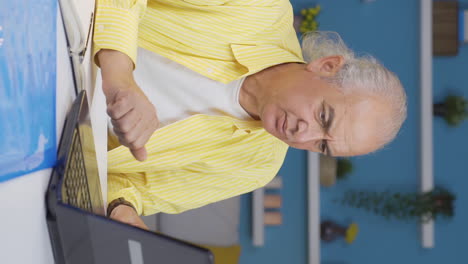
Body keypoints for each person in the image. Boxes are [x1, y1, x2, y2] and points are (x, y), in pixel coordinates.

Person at [94, 0, 407, 229]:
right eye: (324, 117)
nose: (303, 134)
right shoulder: (261, 9)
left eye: (322, 146)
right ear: (327, 66)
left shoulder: (258, 166)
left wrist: (123, 211)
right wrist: (119, 74)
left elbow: (133, 189)